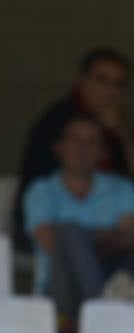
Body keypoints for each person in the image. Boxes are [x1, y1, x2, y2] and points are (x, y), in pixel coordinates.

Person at [23, 113, 134, 333]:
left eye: (91, 142)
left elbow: (130, 238)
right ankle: (101, 304)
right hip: (60, 293)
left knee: (70, 234)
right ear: (60, 147)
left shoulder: (121, 189)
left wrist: (82, 242)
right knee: (67, 233)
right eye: (75, 140)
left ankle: (96, 306)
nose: (82, 149)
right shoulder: (41, 191)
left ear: (103, 152)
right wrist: (100, 237)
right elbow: (51, 243)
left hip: (114, 275)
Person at [16, 48, 134, 250]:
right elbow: (38, 187)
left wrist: (121, 133)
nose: (109, 91)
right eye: (102, 80)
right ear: (83, 81)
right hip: (55, 223)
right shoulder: (56, 121)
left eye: (117, 84)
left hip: (115, 234)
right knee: (72, 237)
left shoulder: (120, 127)